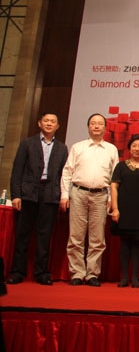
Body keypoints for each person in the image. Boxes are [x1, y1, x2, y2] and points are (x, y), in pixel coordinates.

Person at [6, 112, 68, 286]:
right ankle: (17, 271)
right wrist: (16, 195)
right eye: (46, 120)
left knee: (44, 236)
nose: (49, 124)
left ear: (58, 126)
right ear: (39, 123)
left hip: (50, 195)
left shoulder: (62, 148)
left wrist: (62, 195)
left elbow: (64, 175)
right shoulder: (27, 143)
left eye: (53, 121)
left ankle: (42, 273)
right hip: (28, 194)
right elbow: (17, 170)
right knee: (23, 235)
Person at [60, 113, 119, 287]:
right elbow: (67, 172)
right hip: (78, 193)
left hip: (101, 195)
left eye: (100, 124)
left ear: (105, 128)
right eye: (93, 123)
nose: (96, 126)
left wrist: (111, 198)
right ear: (88, 127)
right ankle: (77, 273)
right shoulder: (78, 147)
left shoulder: (111, 149)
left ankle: (93, 274)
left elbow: (114, 177)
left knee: (97, 238)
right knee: (76, 236)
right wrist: (64, 195)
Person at [109, 134, 139, 288]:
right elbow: (114, 187)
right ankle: (124, 277)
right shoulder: (121, 166)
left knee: (137, 244)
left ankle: (135, 277)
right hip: (123, 209)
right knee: (124, 243)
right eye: (134, 146)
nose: (137, 149)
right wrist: (115, 209)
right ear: (129, 148)